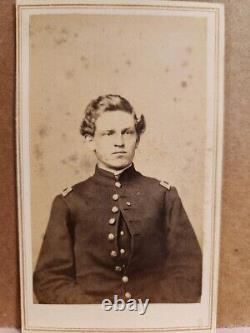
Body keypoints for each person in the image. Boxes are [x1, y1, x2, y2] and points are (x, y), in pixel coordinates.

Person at [33, 94, 202, 304]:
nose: (119, 142)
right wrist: (96, 315)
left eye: (127, 133)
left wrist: (149, 312)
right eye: (108, 134)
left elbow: (189, 271)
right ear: (90, 140)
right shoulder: (69, 202)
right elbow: (49, 279)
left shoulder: (164, 195)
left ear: (137, 139)